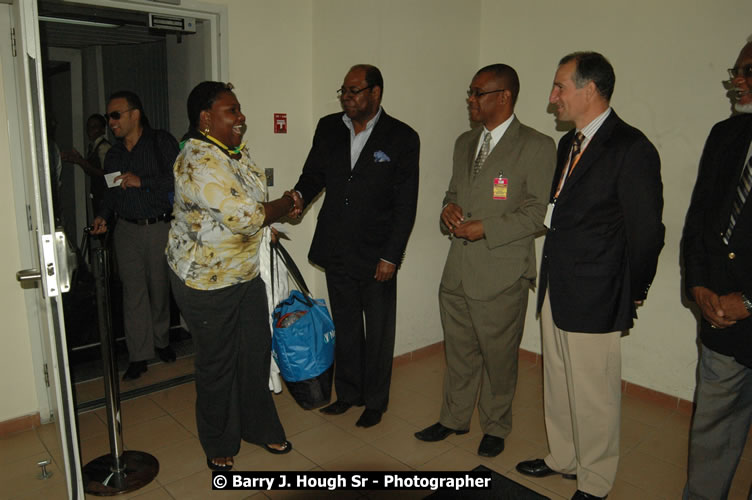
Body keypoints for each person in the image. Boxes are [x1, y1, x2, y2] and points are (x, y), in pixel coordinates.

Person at [515, 52, 664, 500]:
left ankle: (595, 481)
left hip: (599, 293)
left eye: (560, 87)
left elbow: (646, 233)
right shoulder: (570, 144)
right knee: (558, 384)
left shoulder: (631, 148)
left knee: (595, 396)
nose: (552, 97)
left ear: (590, 90)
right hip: (557, 287)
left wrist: (633, 291)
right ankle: (564, 458)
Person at [414, 64, 555, 458]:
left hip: (502, 271)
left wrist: (486, 228)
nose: (470, 100)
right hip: (458, 270)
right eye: (471, 93)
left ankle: (496, 425)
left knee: (499, 357)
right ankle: (454, 418)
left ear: (504, 96)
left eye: (478, 93)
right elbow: (453, 193)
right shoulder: (464, 142)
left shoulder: (537, 145)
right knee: (459, 351)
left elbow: (538, 213)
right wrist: (449, 209)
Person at [166, 81, 298, 471]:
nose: (241, 118)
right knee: (217, 363)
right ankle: (218, 440)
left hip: (244, 273)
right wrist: (288, 203)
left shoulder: (234, 152)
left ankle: (258, 426)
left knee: (254, 355)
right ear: (205, 118)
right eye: (232, 111)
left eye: (240, 110)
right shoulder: (198, 160)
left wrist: (266, 221)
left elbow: (250, 202)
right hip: (206, 281)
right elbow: (246, 216)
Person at [290, 64, 420, 428]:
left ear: (375, 93)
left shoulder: (402, 137)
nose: (346, 97)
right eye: (343, 91)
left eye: (354, 91)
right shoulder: (329, 127)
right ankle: (348, 394)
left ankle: (375, 401)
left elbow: (405, 203)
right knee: (346, 326)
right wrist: (299, 195)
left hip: (377, 252)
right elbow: (314, 173)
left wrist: (391, 254)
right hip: (336, 247)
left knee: (378, 330)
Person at [682, 40, 752, 500]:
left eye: (748, 70)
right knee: (712, 431)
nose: (737, 80)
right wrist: (699, 286)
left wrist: (748, 300)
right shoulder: (726, 136)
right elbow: (698, 221)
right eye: (737, 69)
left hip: (742, 306)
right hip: (720, 321)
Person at [90, 91, 178, 380]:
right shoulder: (114, 154)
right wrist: (103, 215)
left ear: (135, 114)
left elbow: (180, 179)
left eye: (115, 115)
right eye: (108, 117)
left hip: (159, 227)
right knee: (133, 293)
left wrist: (143, 182)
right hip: (126, 230)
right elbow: (110, 192)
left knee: (159, 287)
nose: (110, 122)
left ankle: (161, 341)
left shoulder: (160, 142)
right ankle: (139, 355)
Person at [61, 114, 110, 219]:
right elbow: (90, 170)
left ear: (103, 129)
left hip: (105, 195)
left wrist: (80, 161)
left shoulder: (104, 147)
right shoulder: (93, 147)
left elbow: (105, 173)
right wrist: (78, 160)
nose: (90, 130)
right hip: (97, 194)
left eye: (94, 127)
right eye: (88, 127)